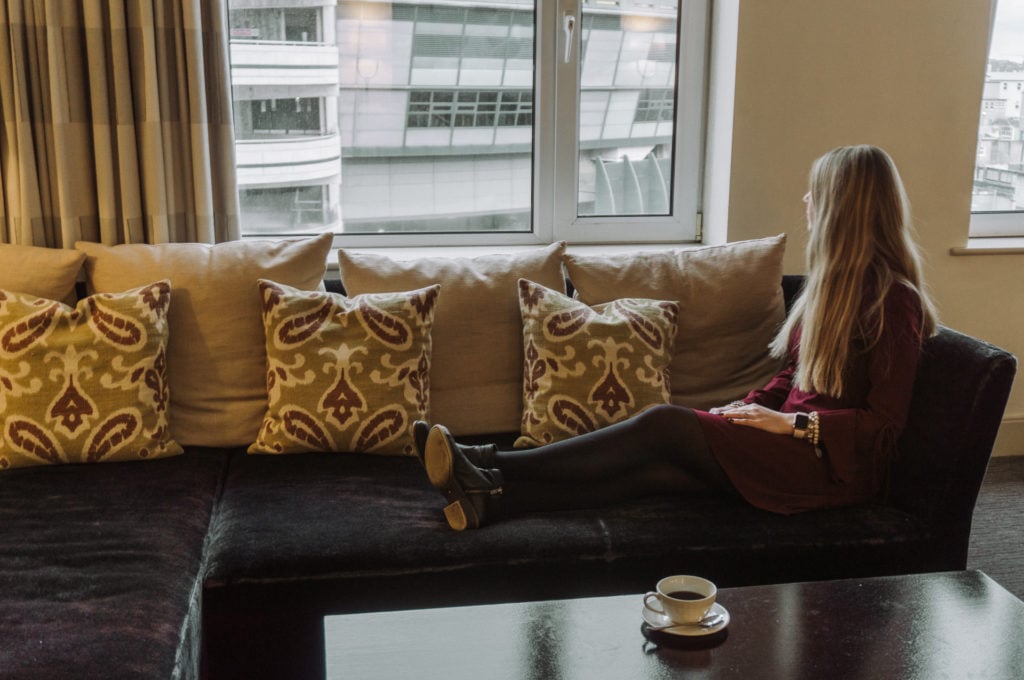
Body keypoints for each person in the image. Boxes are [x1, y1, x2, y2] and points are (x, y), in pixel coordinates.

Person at [415, 144, 938, 531]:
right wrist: (741, 410)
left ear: (841, 207)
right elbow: (793, 376)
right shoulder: (831, 288)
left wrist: (791, 425)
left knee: (664, 425)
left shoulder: (894, 303)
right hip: (787, 446)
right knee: (655, 475)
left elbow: (884, 427)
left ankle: (487, 463)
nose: (805, 199)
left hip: (828, 471)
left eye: (816, 192)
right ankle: (493, 501)